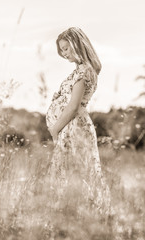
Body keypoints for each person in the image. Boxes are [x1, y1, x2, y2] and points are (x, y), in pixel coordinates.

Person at [46, 27, 112, 221]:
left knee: (78, 171)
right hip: (71, 128)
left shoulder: (83, 71)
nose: (64, 54)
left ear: (77, 45)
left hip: (74, 129)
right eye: (62, 51)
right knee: (77, 171)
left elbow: (74, 106)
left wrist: (55, 128)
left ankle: (85, 218)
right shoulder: (81, 70)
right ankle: (77, 216)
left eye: (66, 49)